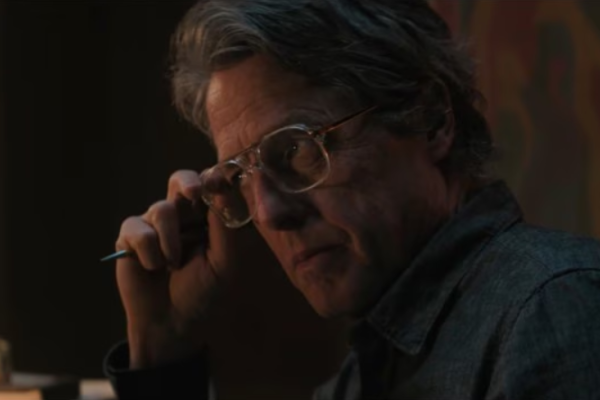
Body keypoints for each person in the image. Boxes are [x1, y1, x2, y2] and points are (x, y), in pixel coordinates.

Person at [102, 0, 600, 399]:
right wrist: (163, 344)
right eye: (239, 178)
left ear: (430, 119)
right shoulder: (360, 374)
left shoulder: (552, 311)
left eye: (296, 150)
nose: (270, 213)